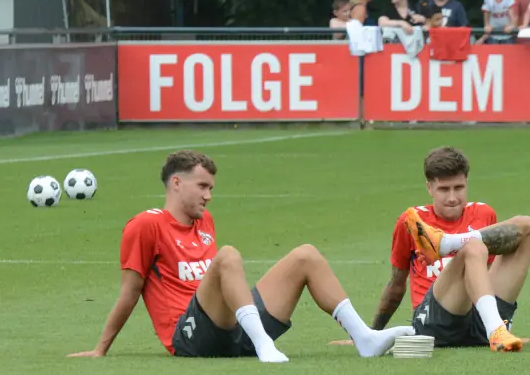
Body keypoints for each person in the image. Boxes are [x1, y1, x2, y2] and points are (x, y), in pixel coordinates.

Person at [68, 150, 414, 362]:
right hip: (189, 336)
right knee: (228, 255)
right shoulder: (146, 225)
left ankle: (365, 339)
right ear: (176, 183)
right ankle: (263, 345)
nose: (208, 196)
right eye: (202, 187)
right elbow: (130, 292)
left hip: (232, 325)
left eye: (211, 189)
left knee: (305, 254)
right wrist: (101, 348)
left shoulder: (205, 222)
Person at [369, 147, 530, 352]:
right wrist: (372, 334)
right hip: (435, 323)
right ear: (429, 188)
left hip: (477, 322)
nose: (452, 197)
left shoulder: (483, 213)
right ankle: (496, 329)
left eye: (459, 187)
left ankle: (496, 328)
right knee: (473, 247)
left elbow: (488, 275)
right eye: (444, 189)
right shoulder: (413, 221)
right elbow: (396, 284)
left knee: (527, 225)